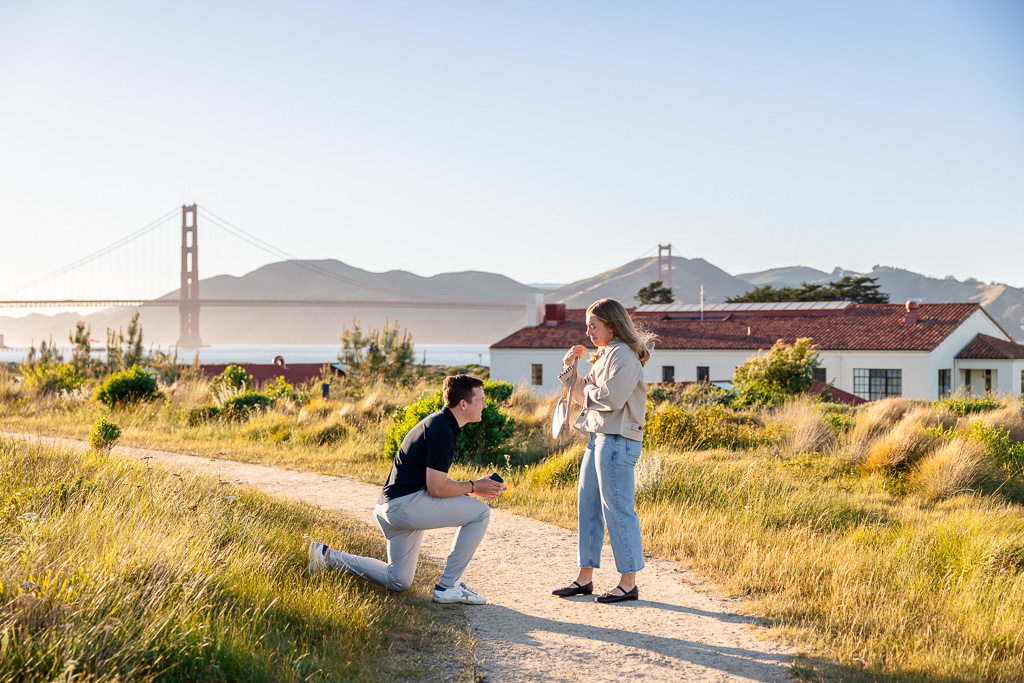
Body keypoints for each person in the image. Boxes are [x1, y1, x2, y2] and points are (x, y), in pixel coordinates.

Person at [307, 374, 505, 604]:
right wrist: (473, 486)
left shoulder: (440, 423)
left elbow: (434, 483)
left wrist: (473, 487)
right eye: (480, 399)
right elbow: (437, 488)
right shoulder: (442, 430)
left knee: (399, 580)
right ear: (463, 404)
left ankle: (325, 556)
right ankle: (448, 586)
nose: (485, 404)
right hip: (406, 507)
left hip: (390, 508)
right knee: (480, 513)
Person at [551, 298, 653, 604]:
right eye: (587, 326)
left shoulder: (626, 356)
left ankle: (628, 583)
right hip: (599, 437)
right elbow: (582, 392)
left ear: (611, 325)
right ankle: (584, 579)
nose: (588, 332)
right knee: (589, 506)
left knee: (617, 509)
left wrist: (585, 389)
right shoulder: (606, 353)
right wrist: (569, 367)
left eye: (593, 326)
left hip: (618, 439)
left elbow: (610, 399)